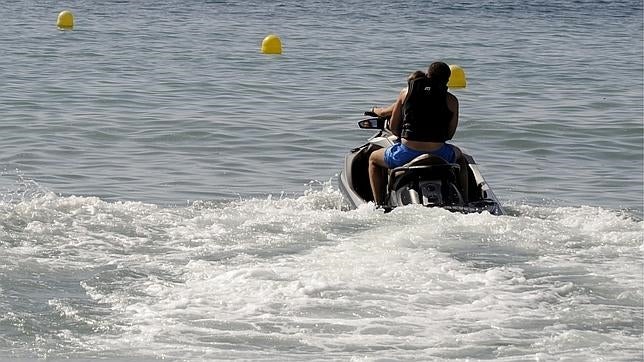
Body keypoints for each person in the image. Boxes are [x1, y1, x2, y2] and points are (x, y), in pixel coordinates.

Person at [368, 62, 460, 205]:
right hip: (439, 153)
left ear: (428, 75)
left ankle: (379, 204)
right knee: (463, 161)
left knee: (373, 159)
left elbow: (393, 127)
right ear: (447, 80)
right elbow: (449, 135)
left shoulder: (406, 92)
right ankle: (466, 200)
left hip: (407, 153)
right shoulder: (452, 100)